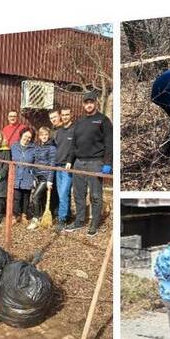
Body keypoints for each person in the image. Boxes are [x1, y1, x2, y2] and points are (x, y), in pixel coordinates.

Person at [64, 91, 112, 237]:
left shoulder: (103, 120)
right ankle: (79, 220)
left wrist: (108, 163)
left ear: (95, 103)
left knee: (96, 195)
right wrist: (69, 161)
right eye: (86, 102)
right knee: (78, 194)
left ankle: (94, 223)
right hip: (78, 163)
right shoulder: (79, 122)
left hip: (95, 162)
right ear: (83, 104)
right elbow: (73, 144)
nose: (89, 105)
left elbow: (109, 143)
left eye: (91, 102)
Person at [28, 127, 56, 230]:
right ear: (39, 136)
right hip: (38, 176)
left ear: (48, 135)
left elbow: (52, 165)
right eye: (42, 135)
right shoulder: (38, 147)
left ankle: (35, 219)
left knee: (35, 197)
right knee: (40, 198)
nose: (44, 136)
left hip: (45, 177)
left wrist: (50, 180)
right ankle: (41, 217)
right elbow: (34, 162)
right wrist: (33, 176)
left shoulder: (52, 148)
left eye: (46, 134)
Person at [54, 108, 75, 231]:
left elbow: (74, 148)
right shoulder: (59, 131)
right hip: (58, 165)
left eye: (67, 114)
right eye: (63, 115)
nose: (65, 117)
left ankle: (62, 220)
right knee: (62, 193)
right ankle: (66, 215)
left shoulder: (75, 130)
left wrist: (70, 161)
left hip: (67, 167)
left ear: (71, 115)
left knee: (63, 193)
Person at [10, 129, 36, 224]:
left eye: (29, 137)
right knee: (16, 197)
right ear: (21, 135)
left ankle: (24, 214)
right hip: (16, 174)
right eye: (25, 136)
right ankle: (15, 215)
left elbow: (35, 162)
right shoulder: (14, 146)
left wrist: (33, 176)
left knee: (26, 197)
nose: (27, 139)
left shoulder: (33, 148)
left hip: (27, 175)